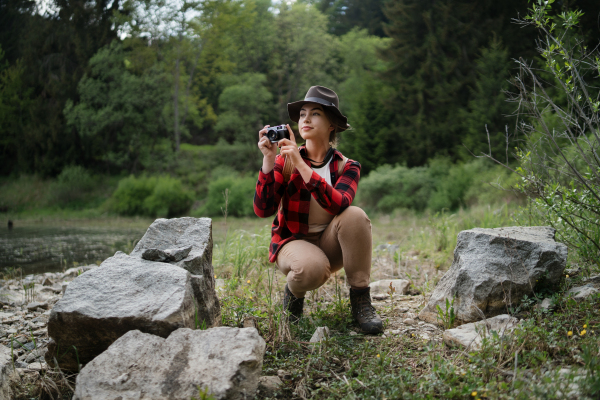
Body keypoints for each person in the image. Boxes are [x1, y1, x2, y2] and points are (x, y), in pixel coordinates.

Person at [253, 85, 383, 334]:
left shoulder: (348, 166)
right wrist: (269, 161)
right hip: (293, 242)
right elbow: (263, 209)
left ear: (332, 124)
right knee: (310, 269)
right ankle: (292, 299)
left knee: (355, 215)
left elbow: (338, 203)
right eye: (302, 114)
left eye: (315, 113)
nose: (306, 119)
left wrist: (302, 165)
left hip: (330, 243)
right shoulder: (284, 161)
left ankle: (361, 302)